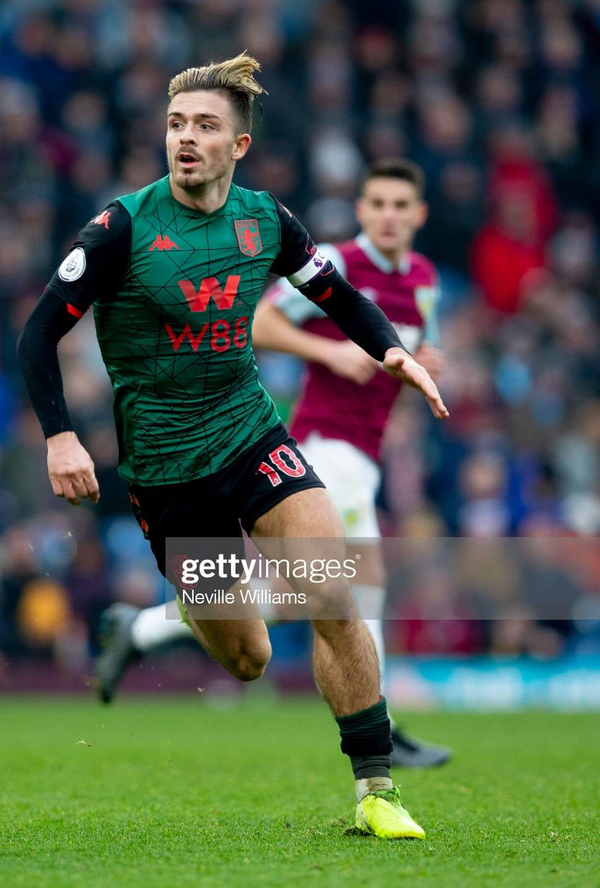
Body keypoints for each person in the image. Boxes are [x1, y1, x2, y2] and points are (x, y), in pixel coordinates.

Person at [18, 54, 447, 839]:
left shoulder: (265, 220)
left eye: (205, 126)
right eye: (177, 123)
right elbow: (38, 331)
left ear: (238, 145)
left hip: (253, 433)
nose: (186, 138)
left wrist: (390, 350)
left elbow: (336, 295)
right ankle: (173, 610)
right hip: (169, 475)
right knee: (246, 658)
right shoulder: (122, 227)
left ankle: (377, 791)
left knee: (332, 590)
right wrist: (60, 438)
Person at [97, 158, 452, 768]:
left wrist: (425, 363)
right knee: (353, 589)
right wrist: (333, 355)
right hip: (319, 446)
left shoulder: (423, 280)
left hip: (364, 454)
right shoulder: (337, 261)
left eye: (401, 206)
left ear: (419, 215)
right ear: (362, 210)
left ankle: (148, 626)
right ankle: (380, 734)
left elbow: (420, 344)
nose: (389, 216)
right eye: (378, 204)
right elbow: (260, 321)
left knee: (303, 596)